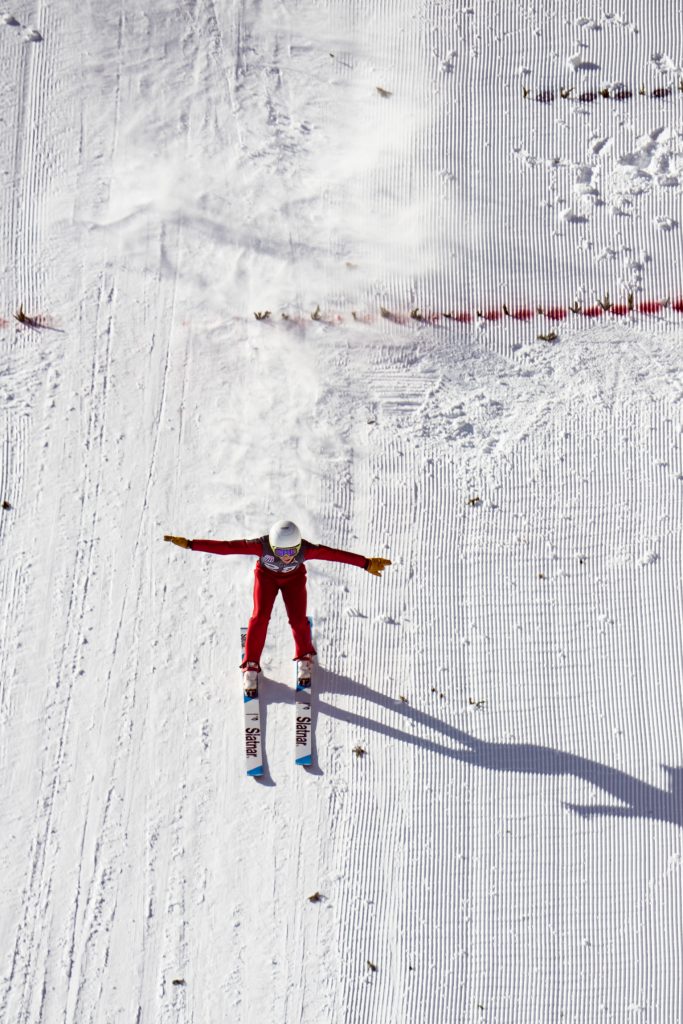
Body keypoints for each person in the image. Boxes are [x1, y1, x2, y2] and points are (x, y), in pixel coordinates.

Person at [164, 520, 391, 686]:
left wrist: (365, 563)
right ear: (272, 546)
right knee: (260, 617)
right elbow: (227, 547)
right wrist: (191, 544)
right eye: (281, 551)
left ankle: (304, 655)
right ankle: (251, 664)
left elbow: (334, 555)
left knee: (298, 619)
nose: (286, 556)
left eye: (291, 551)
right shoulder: (260, 546)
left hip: (294, 581)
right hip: (267, 579)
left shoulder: (306, 550)